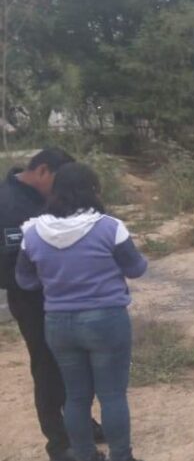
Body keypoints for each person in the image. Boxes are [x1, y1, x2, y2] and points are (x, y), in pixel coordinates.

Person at [17, 163, 147, 461]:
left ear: (56, 192)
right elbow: (136, 268)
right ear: (92, 190)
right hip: (106, 321)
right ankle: (121, 456)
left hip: (58, 324)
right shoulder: (109, 227)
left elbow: (25, 280)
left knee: (75, 397)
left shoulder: (33, 232)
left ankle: (85, 455)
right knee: (112, 395)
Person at [0, 148, 79, 461]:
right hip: (31, 298)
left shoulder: (48, 197)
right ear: (42, 171)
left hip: (64, 293)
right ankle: (58, 443)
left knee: (73, 360)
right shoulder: (8, 204)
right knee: (46, 365)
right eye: (58, 183)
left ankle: (80, 421)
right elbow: (7, 266)